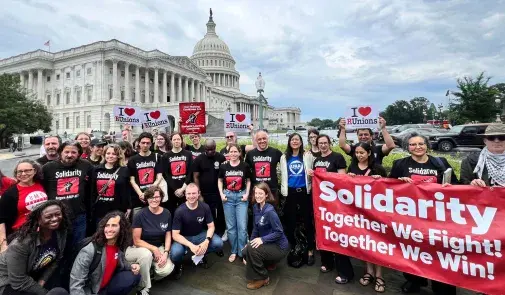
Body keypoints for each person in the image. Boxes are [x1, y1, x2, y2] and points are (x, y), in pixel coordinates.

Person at [389, 132, 458, 295]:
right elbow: (388, 188)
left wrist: (450, 187)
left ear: (427, 145)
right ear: (407, 147)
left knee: (438, 253)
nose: (417, 147)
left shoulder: (441, 163)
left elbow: (456, 185)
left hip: (437, 219)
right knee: (412, 252)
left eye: (421, 143)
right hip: (410, 218)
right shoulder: (399, 164)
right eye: (413, 144)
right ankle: (414, 280)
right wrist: (399, 183)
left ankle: (441, 286)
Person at [0, 200, 71, 295]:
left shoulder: (60, 234)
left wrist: (42, 280)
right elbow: (18, 281)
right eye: (48, 216)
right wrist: (45, 293)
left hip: (32, 275)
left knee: (61, 291)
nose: (54, 219)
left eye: (58, 214)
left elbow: (55, 260)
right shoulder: (20, 245)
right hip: (9, 282)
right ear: (38, 220)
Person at [308, 134, 352, 284]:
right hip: (321, 203)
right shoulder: (317, 160)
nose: (323, 145)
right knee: (323, 232)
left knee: (338, 235)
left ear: (329, 143)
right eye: (320, 143)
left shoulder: (338, 157)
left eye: (325, 143)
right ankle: (327, 263)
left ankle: (345, 271)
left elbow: (343, 180)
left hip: (335, 203)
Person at [346, 142, 387, 293]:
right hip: (358, 211)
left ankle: (379, 275)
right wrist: (348, 178)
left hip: (375, 213)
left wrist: (380, 181)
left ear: (369, 153)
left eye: (362, 152)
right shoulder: (353, 167)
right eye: (357, 153)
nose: (359, 155)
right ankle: (369, 271)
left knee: (377, 244)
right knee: (365, 243)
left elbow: (389, 190)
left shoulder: (378, 168)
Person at [70, 211, 141, 295]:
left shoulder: (118, 246)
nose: (109, 229)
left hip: (106, 286)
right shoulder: (90, 250)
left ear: (122, 228)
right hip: (92, 291)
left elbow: (120, 262)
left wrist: (131, 266)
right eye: (107, 225)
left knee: (134, 276)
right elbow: (76, 284)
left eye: (114, 225)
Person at [42, 141, 93, 246]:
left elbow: (90, 187)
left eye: (73, 152)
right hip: (55, 217)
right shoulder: (48, 168)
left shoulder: (86, 165)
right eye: (67, 152)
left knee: (77, 247)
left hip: (79, 215)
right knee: (57, 247)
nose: (70, 155)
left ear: (79, 153)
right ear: (60, 152)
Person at [125, 187, 174, 295]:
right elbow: (136, 240)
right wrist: (153, 248)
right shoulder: (140, 215)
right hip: (139, 248)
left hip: (159, 246)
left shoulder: (167, 213)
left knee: (166, 270)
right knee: (147, 254)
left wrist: (166, 252)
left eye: (157, 196)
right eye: (151, 197)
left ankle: (148, 274)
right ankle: (143, 288)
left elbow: (168, 235)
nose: (154, 199)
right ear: (146, 199)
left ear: (161, 198)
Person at [169, 183, 224, 279]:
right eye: (189, 194)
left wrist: (206, 241)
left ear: (199, 194)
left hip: (200, 235)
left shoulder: (205, 207)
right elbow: (175, 235)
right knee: (175, 253)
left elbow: (211, 226)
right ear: (185, 195)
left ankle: (201, 255)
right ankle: (178, 265)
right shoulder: (179, 211)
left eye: (194, 193)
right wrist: (191, 245)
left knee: (218, 243)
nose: (191, 196)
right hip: (184, 237)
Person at [242, 183, 289, 290]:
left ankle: (262, 278)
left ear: (266, 195)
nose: (258, 196)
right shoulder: (255, 207)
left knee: (251, 250)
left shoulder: (270, 212)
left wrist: (262, 239)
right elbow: (255, 228)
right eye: (256, 193)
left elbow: (279, 232)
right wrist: (250, 242)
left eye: (261, 193)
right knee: (245, 251)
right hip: (268, 243)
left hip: (279, 246)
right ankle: (268, 263)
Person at [280, 133, 315, 265]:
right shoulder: (284, 157)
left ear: (301, 142)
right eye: (292, 140)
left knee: (307, 221)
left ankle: (310, 249)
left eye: (297, 140)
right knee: (291, 221)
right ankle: (294, 246)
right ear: (289, 142)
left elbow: (315, 170)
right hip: (290, 192)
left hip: (304, 192)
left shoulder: (307, 156)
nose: (295, 142)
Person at [0, 160, 48, 253]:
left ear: (35, 171)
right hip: (22, 237)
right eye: (20, 171)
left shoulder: (42, 185)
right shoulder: (10, 194)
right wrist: (3, 244)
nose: (23, 174)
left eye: (27, 170)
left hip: (44, 232)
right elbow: (1, 219)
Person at [218, 143, 251, 262]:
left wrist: (247, 194)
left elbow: (248, 181)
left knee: (242, 227)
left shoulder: (245, 166)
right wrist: (221, 194)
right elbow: (220, 180)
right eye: (231, 152)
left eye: (235, 152)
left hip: (241, 197)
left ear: (239, 153)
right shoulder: (224, 166)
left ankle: (242, 252)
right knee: (231, 227)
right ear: (228, 153)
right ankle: (233, 250)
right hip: (228, 197)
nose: (233, 154)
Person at [193, 139, 227, 240]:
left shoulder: (221, 157)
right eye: (208, 149)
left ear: (215, 147)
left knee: (220, 213)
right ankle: (206, 234)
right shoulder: (199, 159)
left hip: (218, 192)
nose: (210, 152)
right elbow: (195, 176)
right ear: (205, 148)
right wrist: (199, 194)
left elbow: (225, 174)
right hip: (204, 192)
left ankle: (219, 234)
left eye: (212, 149)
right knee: (207, 214)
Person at [90, 144, 131, 224]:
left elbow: (127, 190)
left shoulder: (124, 170)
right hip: (100, 209)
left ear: (118, 156)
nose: (110, 156)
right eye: (108, 153)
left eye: (114, 154)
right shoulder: (96, 170)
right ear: (104, 154)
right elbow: (92, 190)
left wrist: (129, 207)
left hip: (117, 210)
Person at [128, 132, 163, 216]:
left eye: (148, 143)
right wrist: (141, 194)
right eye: (143, 143)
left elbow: (159, 177)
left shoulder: (157, 157)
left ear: (151, 144)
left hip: (153, 196)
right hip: (137, 198)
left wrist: (148, 192)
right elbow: (132, 180)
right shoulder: (133, 159)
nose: (145, 145)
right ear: (139, 143)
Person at [161, 132, 192, 216]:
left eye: (178, 139)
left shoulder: (188, 154)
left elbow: (190, 173)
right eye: (174, 139)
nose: (176, 141)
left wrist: (182, 189)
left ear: (181, 141)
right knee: (172, 212)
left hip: (185, 189)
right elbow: (166, 175)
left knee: (187, 212)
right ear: (171, 141)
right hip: (172, 190)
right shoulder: (166, 156)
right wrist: (175, 189)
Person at [245, 130, 283, 199]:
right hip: (256, 191)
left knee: (272, 209)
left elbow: (288, 161)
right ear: (256, 141)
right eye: (259, 139)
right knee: (257, 210)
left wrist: (303, 153)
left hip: (272, 190)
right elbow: (245, 170)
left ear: (267, 139)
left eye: (264, 138)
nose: (262, 141)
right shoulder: (250, 154)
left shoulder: (276, 152)